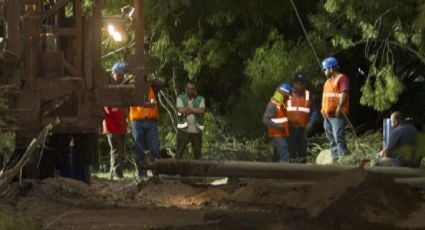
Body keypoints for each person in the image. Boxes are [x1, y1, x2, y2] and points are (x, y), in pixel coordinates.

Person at [102, 61, 128, 180]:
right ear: (113, 74)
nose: (121, 77)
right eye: (119, 75)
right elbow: (108, 108)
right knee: (116, 149)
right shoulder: (108, 87)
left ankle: (113, 174)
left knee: (120, 149)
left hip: (121, 124)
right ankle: (117, 174)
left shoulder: (123, 88)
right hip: (112, 125)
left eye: (122, 75)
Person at [321, 57, 350, 163]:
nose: (324, 71)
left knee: (338, 137)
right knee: (331, 138)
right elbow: (326, 97)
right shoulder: (327, 82)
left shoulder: (342, 78)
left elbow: (344, 93)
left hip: (337, 115)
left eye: (325, 69)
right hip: (327, 116)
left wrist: (339, 107)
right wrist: (323, 110)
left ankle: (344, 158)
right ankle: (335, 157)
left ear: (331, 68)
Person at [130, 80, 161, 178]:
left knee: (155, 148)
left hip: (151, 120)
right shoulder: (131, 87)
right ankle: (142, 174)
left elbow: (161, 83)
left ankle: (157, 172)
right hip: (137, 120)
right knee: (139, 148)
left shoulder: (152, 87)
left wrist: (149, 81)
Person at [287, 73, 318, 163]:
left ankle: (303, 170)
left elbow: (314, 111)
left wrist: (311, 123)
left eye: (302, 83)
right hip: (290, 128)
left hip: (303, 128)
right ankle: (289, 170)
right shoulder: (287, 94)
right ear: (294, 84)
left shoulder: (309, 95)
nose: (300, 85)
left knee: (302, 151)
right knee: (290, 150)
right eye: (298, 83)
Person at [175, 81, 206, 159]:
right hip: (183, 129)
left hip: (196, 129)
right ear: (185, 89)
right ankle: (176, 169)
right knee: (179, 152)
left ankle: (197, 170)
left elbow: (202, 110)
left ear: (195, 89)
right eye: (188, 88)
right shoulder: (180, 97)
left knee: (197, 153)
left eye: (192, 89)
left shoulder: (200, 98)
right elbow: (181, 110)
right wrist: (195, 110)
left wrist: (189, 109)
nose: (190, 90)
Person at [263, 83, 292, 162]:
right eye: (287, 96)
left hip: (282, 134)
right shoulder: (272, 105)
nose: (288, 98)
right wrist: (279, 127)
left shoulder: (281, 105)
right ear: (282, 94)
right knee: (285, 156)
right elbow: (265, 120)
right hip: (277, 134)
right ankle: (285, 173)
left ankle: (272, 172)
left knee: (276, 156)